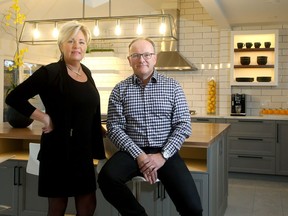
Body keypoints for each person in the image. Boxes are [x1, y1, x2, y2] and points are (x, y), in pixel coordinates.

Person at [5, 21, 105, 216]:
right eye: (71, 41)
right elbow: (14, 98)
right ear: (61, 45)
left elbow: (90, 111)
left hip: (82, 152)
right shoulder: (50, 72)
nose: (77, 46)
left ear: (86, 46)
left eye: (82, 42)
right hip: (59, 150)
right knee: (57, 208)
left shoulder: (87, 72)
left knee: (88, 205)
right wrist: (44, 118)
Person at [98, 37, 203, 216]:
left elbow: (183, 125)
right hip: (132, 152)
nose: (142, 59)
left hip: (165, 152)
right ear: (129, 60)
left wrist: (162, 156)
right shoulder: (119, 90)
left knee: (193, 208)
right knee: (107, 177)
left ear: (155, 58)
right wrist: (139, 155)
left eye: (147, 54)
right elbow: (114, 128)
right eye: (136, 55)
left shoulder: (173, 87)